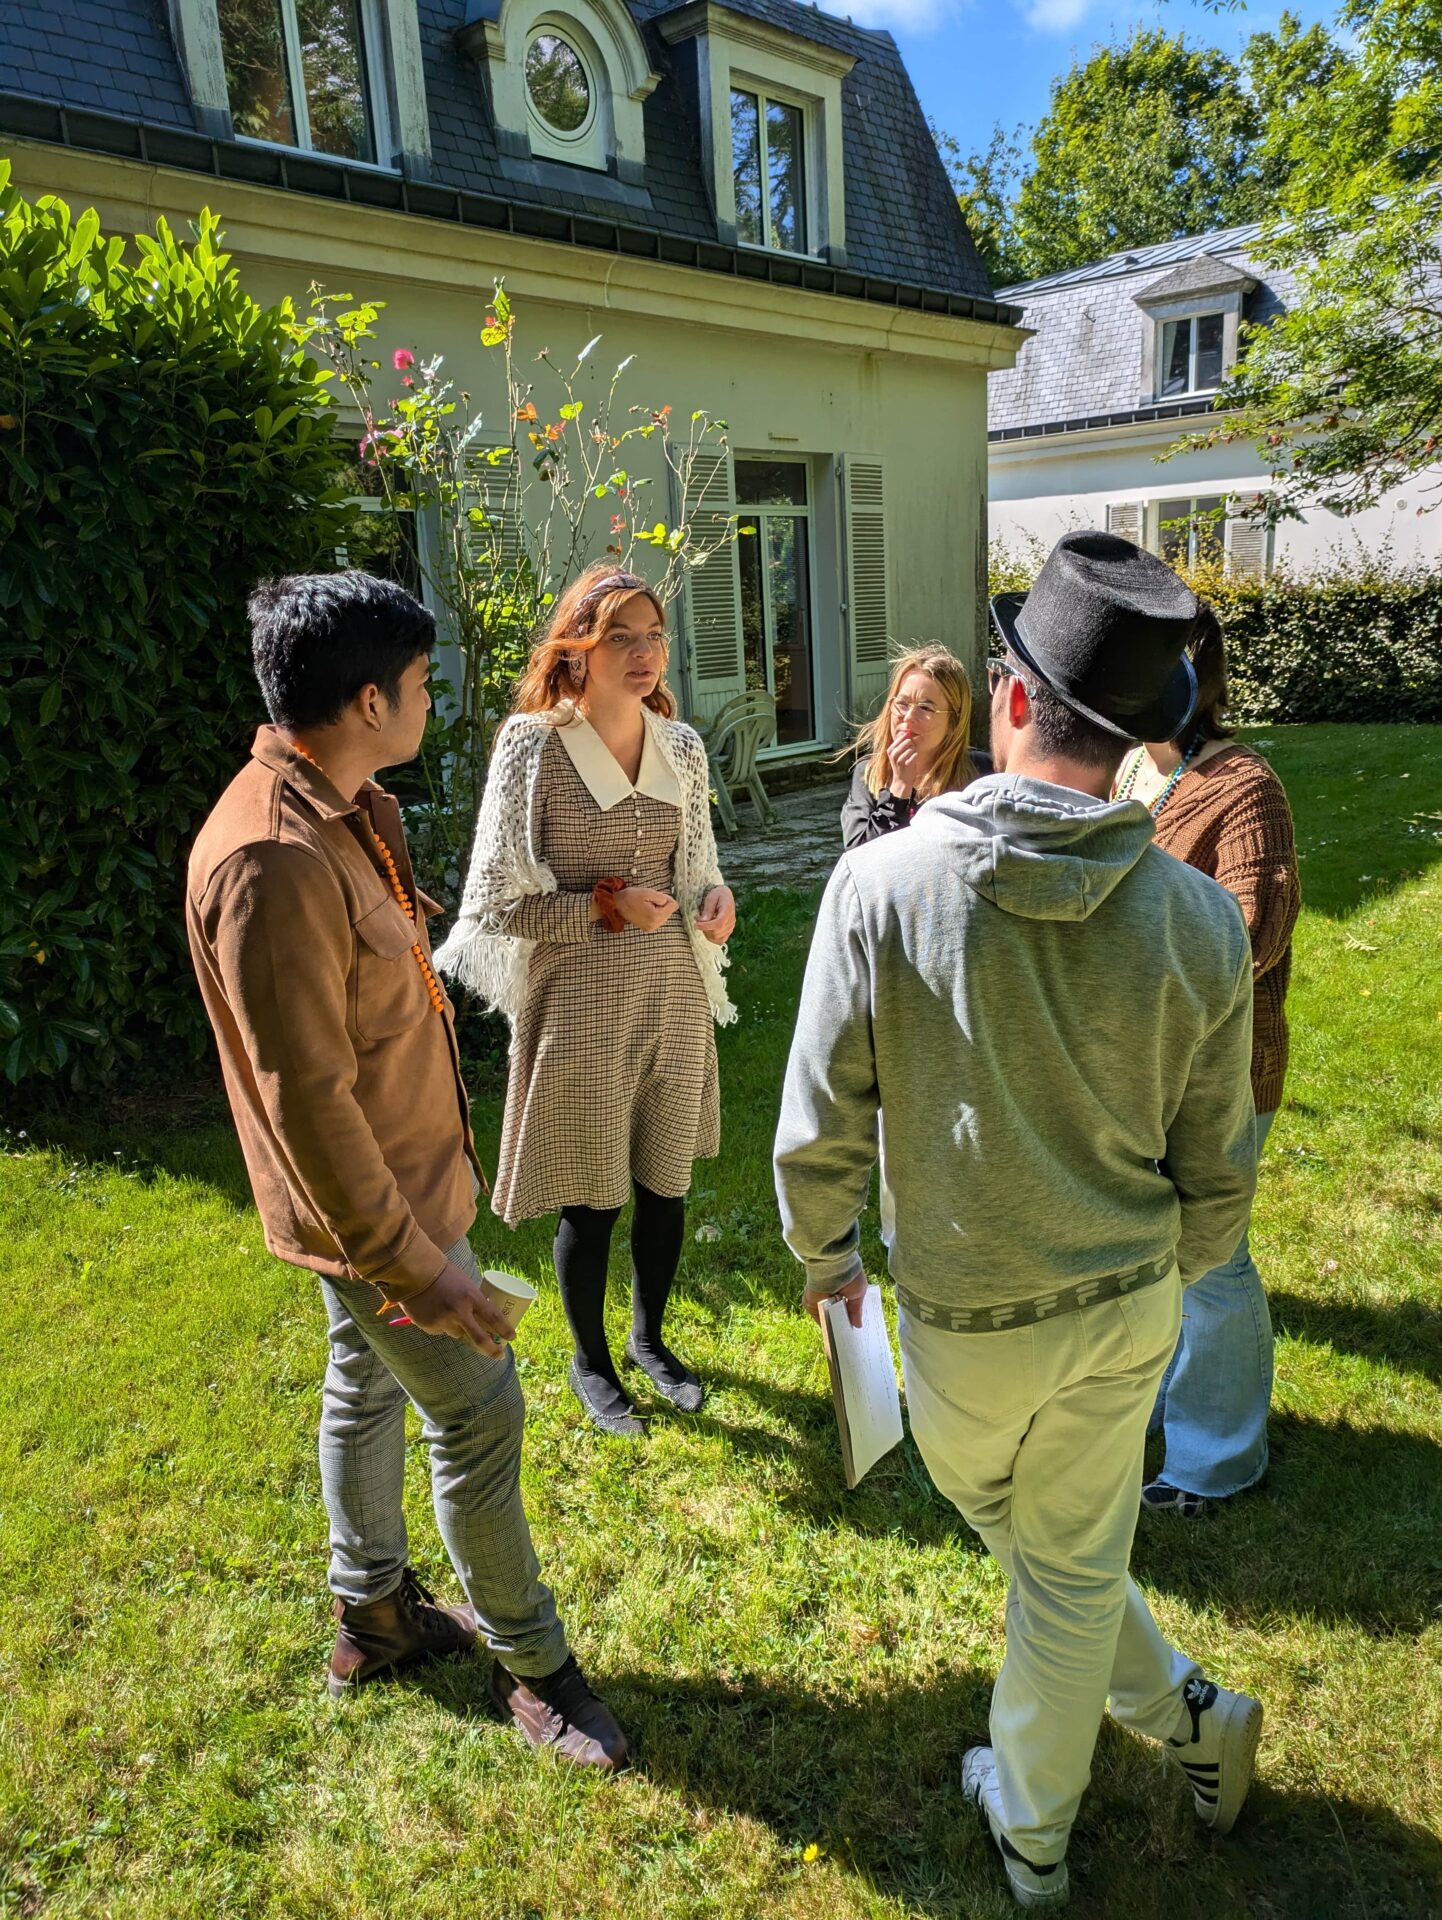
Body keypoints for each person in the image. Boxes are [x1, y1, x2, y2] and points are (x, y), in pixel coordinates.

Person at [775, 531, 1264, 1910]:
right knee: (1061, 1556)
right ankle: (1183, 1714)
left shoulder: (877, 887)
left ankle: (1033, 1833)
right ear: (1144, 741)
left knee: (1048, 1563)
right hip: (1118, 1310)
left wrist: (828, 1264)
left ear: (1006, 704)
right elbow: (1214, 1159)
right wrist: (1181, 1270)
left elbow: (815, 1124)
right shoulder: (1193, 920)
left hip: (963, 1319)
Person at [186, 571, 627, 1770]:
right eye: (425, 684)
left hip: (403, 1200)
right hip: (378, 1223)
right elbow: (310, 1106)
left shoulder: (334, 805)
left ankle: (370, 1612)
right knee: (478, 1410)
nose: (436, 701)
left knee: (361, 1383)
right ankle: (535, 1668)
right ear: (368, 698)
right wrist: (417, 1271)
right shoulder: (272, 862)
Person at [436, 563, 737, 1439]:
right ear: (577, 647)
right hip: (579, 998)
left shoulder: (680, 746)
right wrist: (601, 908)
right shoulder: (531, 748)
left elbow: (704, 868)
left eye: (654, 636)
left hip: (672, 995)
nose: (644, 654)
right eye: (621, 638)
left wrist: (717, 901)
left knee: (666, 1181)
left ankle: (649, 1339)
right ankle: (591, 1361)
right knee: (594, 1193)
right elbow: (494, 902)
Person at [1112, 608, 1301, 1517]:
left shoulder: (1243, 785)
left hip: (1219, 1069)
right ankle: (1157, 1408)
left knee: (1215, 1262)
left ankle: (1215, 1460)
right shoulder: (1125, 770)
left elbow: (1247, 933)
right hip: (1136, 1064)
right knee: (1155, 1251)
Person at [840, 646, 992, 849]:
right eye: (902, 703)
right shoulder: (868, 774)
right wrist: (898, 791)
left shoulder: (982, 773)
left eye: (925, 708)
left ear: (953, 722)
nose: (909, 716)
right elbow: (859, 855)